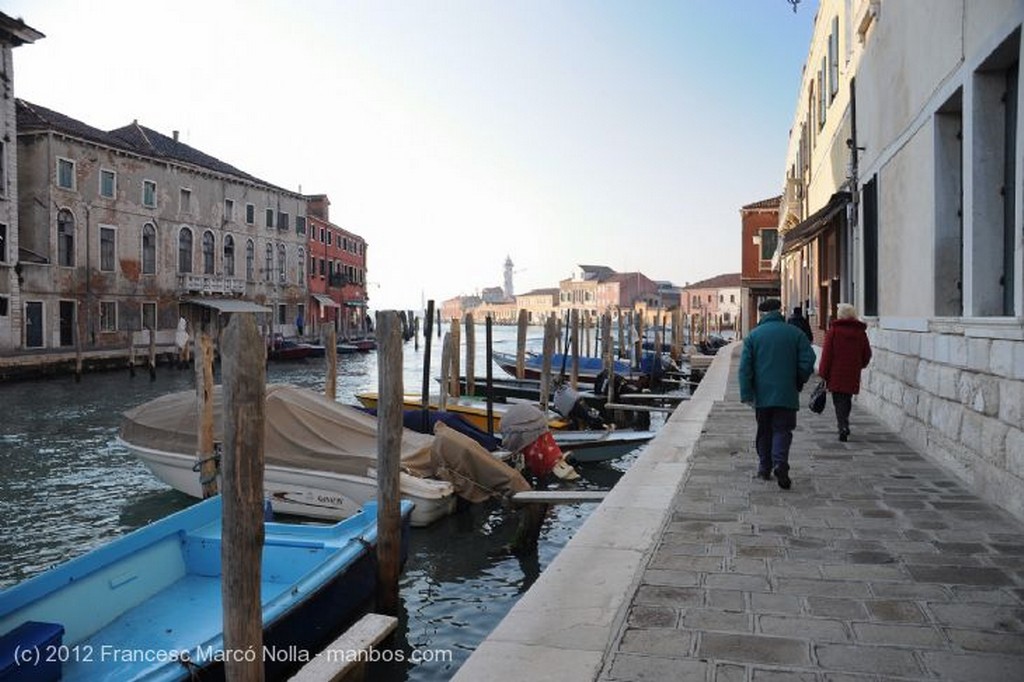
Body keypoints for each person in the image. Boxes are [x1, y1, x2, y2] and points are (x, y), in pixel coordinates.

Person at [739, 298, 816, 489]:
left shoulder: (753, 336)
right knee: (782, 429)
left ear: (762, 314)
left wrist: (747, 393)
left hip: (762, 396)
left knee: (764, 430)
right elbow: (809, 360)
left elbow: (744, 369)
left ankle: (765, 467)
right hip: (786, 393)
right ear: (779, 312)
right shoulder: (796, 333)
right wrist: (799, 379)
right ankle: (780, 462)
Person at [818, 302, 872, 442]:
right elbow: (867, 353)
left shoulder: (834, 331)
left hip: (836, 372)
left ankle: (842, 425)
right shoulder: (860, 333)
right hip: (852, 371)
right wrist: (860, 365)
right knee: (846, 398)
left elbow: (827, 354)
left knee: (838, 399)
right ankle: (844, 422)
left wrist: (823, 372)